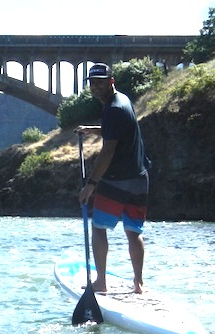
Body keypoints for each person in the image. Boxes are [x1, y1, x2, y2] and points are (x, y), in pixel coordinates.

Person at [74, 63, 150, 294]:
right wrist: (91, 129)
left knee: (98, 228)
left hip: (116, 180)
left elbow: (108, 150)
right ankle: (138, 283)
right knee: (133, 232)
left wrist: (91, 185)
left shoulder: (112, 109)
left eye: (100, 82)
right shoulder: (123, 102)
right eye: (92, 82)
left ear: (111, 81)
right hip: (139, 178)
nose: (95, 87)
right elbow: (116, 130)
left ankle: (101, 282)